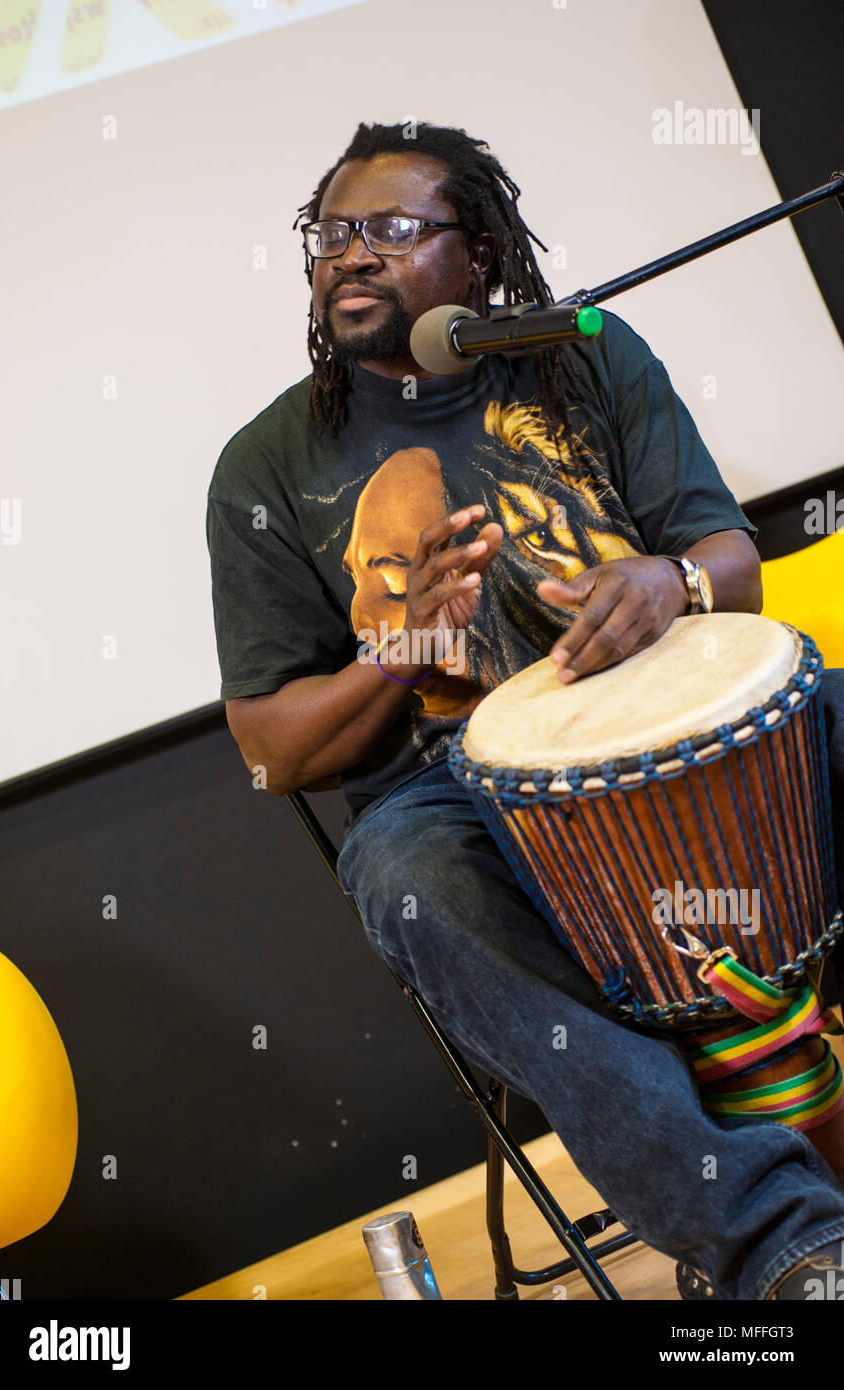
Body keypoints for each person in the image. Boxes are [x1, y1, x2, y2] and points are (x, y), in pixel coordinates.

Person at [206, 120, 844, 1300]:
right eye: (330, 233)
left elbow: (726, 561)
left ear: (479, 254)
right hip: (454, 794)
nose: (349, 254)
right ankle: (778, 1245)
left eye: (390, 230)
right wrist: (396, 659)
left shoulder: (584, 360)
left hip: (681, 728)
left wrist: (667, 580)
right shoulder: (267, 467)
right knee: (408, 880)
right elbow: (270, 746)